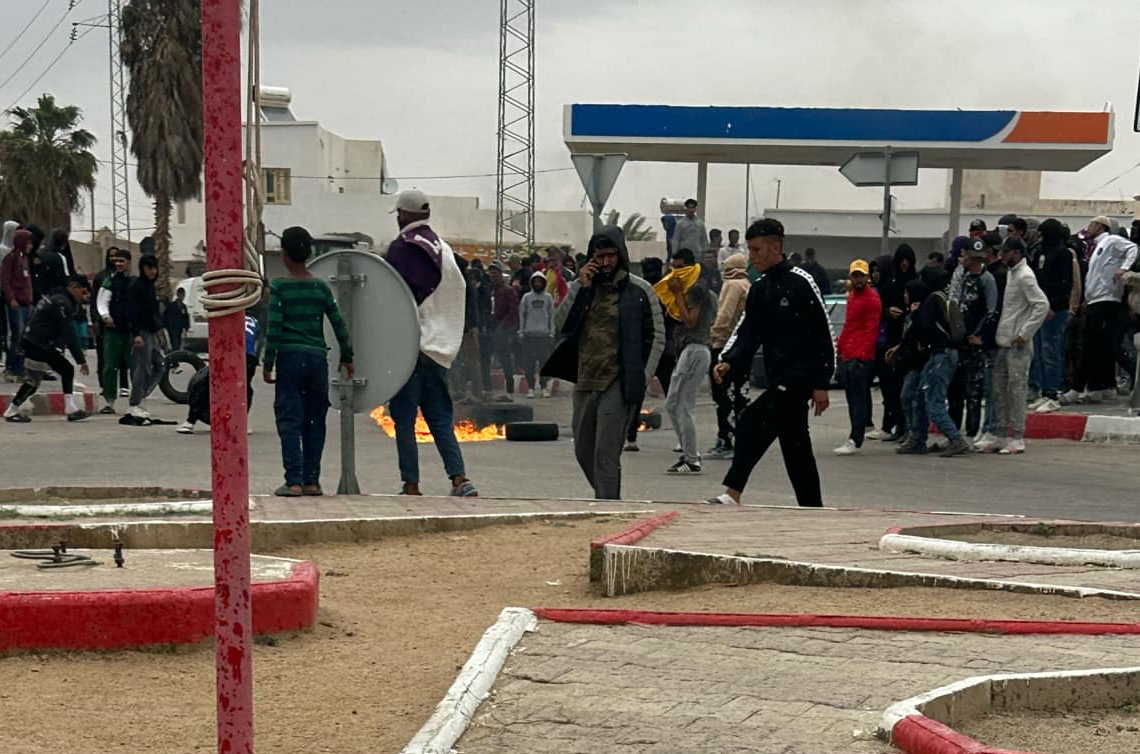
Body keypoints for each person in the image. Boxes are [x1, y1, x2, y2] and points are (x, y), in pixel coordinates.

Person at [705, 218, 834, 507]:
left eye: (757, 249)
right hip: (778, 376)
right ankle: (813, 508)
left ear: (776, 247)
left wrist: (822, 382)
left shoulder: (801, 283)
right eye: (750, 250)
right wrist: (729, 360)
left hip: (799, 377)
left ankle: (733, 492)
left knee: (751, 421)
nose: (753, 256)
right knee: (795, 444)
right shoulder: (760, 289)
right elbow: (748, 331)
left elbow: (822, 333)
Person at [542, 226, 664, 499]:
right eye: (600, 256)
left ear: (620, 255)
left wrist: (643, 376)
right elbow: (561, 325)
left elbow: (657, 336)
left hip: (618, 380)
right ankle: (606, 498)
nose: (606, 262)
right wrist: (579, 289)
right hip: (585, 378)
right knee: (583, 450)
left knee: (605, 453)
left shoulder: (640, 291)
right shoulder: (582, 287)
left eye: (611, 256)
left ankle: (607, 507)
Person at [383, 190, 478, 497]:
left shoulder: (402, 248)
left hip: (412, 348)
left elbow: (392, 297)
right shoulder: (445, 250)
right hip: (438, 349)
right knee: (440, 420)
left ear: (405, 215)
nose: (397, 218)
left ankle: (411, 484)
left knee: (405, 421)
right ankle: (460, 479)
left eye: (399, 214)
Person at [263, 226, 354, 497]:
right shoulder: (321, 287)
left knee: (290, 419)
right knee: (315, 420)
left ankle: (293, 481)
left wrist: (268, 363)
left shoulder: (279, 287)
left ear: (284, 254)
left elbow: (274, 329)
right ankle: (312, 481)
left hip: (290, 359)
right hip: (317, 360)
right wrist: (348, 357)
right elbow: (339, 324)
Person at [976, 238, 1049, 455]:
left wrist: (1025, 333)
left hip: (1017, 345)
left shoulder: (1026, 276)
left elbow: (1042, 305)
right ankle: (1000, 435)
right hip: (1004, 342)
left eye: (1005, 253)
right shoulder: (1012, 273)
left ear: (1016, 253)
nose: (1002, 257)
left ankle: (1017, 437)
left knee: (1016, 391)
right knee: (999, 390)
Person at [1062, 216, 1138, 404]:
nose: (1088, 228)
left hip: (1107, 300)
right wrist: (1089, 298)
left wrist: (1124, 268)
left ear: (1100, 226)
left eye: (1091, 224)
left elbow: (1133, 248)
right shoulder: (1098, 247)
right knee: (1102, 347)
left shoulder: (1111, 240)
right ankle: (1102, 387)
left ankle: (1077, 388)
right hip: (1097, 300)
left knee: (1090, 345)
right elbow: (1097, 275)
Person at [897, 267, 971, 457]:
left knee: (933, 401)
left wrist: (914, 314)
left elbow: (924, 328)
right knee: (919, 399)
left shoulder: (930, 302)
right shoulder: (940, 298)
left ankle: (956, 439)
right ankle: (918, 439)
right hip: (941, 354)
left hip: (941, 355)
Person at [656, 248, 714, 474]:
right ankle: (690, 451)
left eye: (680, 267)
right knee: (672, 403)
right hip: (688, 350)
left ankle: (691, 459)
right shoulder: (692, 288)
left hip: (696, 349)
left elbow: (690, 321)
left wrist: (679, 294)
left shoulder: (696, 289)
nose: (676, 272)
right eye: (674, 267)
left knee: (685, 405)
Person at [3, 275, 91, 423]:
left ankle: (70, 408)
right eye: (82, 292)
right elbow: (69, 333)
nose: (84, 297)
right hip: (38, 344)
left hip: (35, 342)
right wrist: (81, 360)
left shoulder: (55, 297)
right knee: (41, 378)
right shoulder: (62, 303)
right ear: (74, 287)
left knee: (54, 373)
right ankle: (12, 410)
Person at [947, 238, 998, 443]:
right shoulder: (964, 277)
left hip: (975, 344)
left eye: (966, 256)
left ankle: (971, 432)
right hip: (960, 340)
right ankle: (953, 432)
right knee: (955, 390)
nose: (963, 259)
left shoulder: (987, 280)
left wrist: (981, 336)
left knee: (973, 391)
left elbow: (992, 311)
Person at [178, 311, 260, 435]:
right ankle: (242, 423)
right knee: (245, 389)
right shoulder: (254, 320)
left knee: (206, 384)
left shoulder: (228, 315)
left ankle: (190, 422)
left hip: (232, 351)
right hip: (249, 357)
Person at [624, 256, 673, 452]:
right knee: (672, 395)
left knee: (638, 395)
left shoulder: (640, 291)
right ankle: (682, 440)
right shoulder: (664, 290)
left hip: (646, 349)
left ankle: (631, 438)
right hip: (662, 348)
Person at [1026, 219, 1076, 414]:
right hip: (1040, 308)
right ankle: (1044, 391)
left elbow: (1065, 283)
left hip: (1055, 310)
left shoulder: (1062, 253)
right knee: (1038, 352)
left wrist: (1052, 306)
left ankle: (1052, 394)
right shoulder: (1040, 252)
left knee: (1051, 351)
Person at [834, 259, 881, 456]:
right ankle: (855, 434)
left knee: (858, 398)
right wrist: (841, 347)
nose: (858, 279)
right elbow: (849, 325)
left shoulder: (872, 300)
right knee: (853, 398)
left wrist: (861, 357)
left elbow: (871, 331)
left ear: (867, 276)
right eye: (855, 275)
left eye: (861, 275)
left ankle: (856, 437)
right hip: (849, 353)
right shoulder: (852, 296)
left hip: (861, 356)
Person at [707, 252, 750, 459]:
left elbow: (725, 314)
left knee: (722, 394)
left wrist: (714, 332)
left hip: (724, 345)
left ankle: (725, 440)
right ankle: (740, 439)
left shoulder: (733, 285)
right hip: (742, 347)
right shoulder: (748, 285)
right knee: (740, 395)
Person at [875, 244, 915, 442]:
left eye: (908, 260)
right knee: (891, 388)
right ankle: (896, 426)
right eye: (902, 260)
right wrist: (887, 311)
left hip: (908, 343)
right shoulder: (890, 286)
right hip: (890, 341)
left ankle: (906, 427)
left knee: (905, 389)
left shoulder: (916, 284)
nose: (905, 264)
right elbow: (877, 310)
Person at [125, 254, 166, 420]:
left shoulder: (150, 286)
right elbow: (131, 312)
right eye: (149, 267)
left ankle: (141, 395)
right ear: (143, 268)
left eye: (154, 268)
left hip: (151, 332)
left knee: (160, 365)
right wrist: (135, 334)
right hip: (140, 332)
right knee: (141, 368)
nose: (152, 271)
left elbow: (152, 313)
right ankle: (135, 403)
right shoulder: (137, 286)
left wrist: (159, 332)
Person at [96, 248, 134, 413]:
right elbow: (102, 301)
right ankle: (109, 402)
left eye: (122, 261)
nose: (118, 264)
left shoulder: (134, 282)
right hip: (113, 331)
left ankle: (137, 402)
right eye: (116, 261)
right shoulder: (109, 281)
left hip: (131, 331)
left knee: (135, 366)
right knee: (110, 366)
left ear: (129, 263)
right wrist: (105, 316)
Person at [449, 255, 486, 403]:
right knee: (464, 362)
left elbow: (471, 307)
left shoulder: (461, 283)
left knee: (469, 361)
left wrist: (472, 326)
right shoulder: (462, 282)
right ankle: (462, 390)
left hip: (465, 327)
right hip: (460, 326)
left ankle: (472, 391)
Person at [1, 229, 34, 381]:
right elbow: (5, 281)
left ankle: (20, 368)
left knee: (24, 337)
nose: (31, 246)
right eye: (29, 242)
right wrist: (11, 298)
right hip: (16, 304)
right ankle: (11, 367)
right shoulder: (11, 257)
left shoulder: (24, 259)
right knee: (16, 335)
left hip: (26, 304)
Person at [518, 270, 556, 398]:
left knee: (544, 364)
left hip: (544, 336)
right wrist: (521, 331)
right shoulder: (527, 297)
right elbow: (522, 315)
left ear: (544, 283)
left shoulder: (548, 298)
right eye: (535, 282)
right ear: (532, 283)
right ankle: (531, 388)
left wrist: (552, 332)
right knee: (529, 364)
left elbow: (552, 317)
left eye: (540, 281)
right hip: (529, 336)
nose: (538, 284)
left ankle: (544, 388)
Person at [488, 262, 520, 397]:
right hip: (493, 327)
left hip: (505, 329)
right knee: (493, 359)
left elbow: (513, 311)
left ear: (501, 274)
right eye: (491, 273)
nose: (493, 276)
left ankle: (510, 388)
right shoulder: (491, 290)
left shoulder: (508, 290)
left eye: (495, 273)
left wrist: (505, 327)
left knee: (505, 359)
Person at [163, 288, 191, 352]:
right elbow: (166, 316)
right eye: (181, 295)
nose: (182, 297)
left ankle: (176, 357)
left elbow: (185, 317)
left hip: (179, 328)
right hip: (172, 328)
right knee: (174, 343)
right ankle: (175, 358)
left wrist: (186, 328)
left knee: (178, 343)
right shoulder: (171, 305)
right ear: (177, 295)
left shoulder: (183, 306)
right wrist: (167, 326)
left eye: (183, 295)